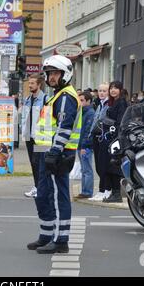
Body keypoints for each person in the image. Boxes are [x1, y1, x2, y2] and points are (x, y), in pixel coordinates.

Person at [28, 54, 81, 254]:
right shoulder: (56, 96)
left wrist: (53, 153)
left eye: (55, 73)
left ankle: (61, 240)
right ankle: (46, 234)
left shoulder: (67, 97)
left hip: (58, 154)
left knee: (58, 196)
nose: (51, 77)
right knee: (43, 195)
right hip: (45, 153)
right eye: (49, 74)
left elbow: (64, 128)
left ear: (65, 74)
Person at [21, 73, 47, 198]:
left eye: (32, 83)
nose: (30, 85)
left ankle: (40, 188)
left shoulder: (45, 99)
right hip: (29, 137)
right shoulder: (27, 99)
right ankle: (37, 186)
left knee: (39, 163)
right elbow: (24, 117)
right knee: (33, 162)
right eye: (29, 83)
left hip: (40, 138)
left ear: (39, 84)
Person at [103, 81, 128, 203]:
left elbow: (120, 122)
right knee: (109, 165)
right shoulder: (113, 102)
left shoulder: (121, 102)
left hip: (117, 138)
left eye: (116, 88)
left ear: (120, 90)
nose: (113, 90)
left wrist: (115, 132)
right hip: (111, 137)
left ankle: (117, 193)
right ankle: (113, 192)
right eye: (111, 88)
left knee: (114, 165)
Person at [89, 82, 111, 202]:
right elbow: (95, 120)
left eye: (104, 91)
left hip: (103, 137)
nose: (101, 93)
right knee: (98, 165)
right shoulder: (99, 104)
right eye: (100, 91)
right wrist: (90, 134)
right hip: (96, 137)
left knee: (103, 166)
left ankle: (104, 190)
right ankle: (101, 190)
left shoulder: (108, 105)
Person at [74, 91, 95, 199]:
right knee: (84, 169)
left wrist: (84, 146)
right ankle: (84, 191)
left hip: (85, 145)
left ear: (88, 101)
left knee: (87, 170)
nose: (80, 102)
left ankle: (87, 192)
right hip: (80, 144)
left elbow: (88, 131)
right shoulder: (82, 111)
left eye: (82, 100)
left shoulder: (90, 113)